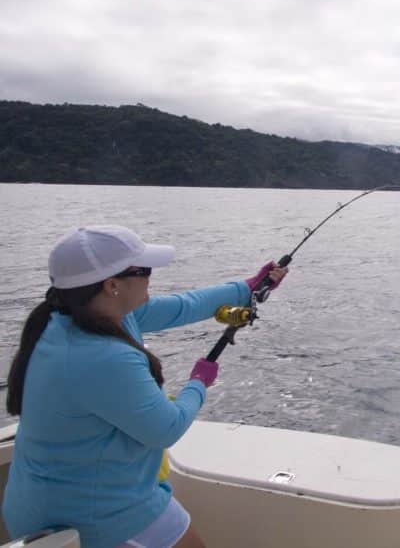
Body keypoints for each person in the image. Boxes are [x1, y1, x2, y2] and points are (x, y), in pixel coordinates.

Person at [3, 225, 288, 548]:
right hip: (97, 515)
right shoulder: (102, 356)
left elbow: (186, 305)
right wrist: (199, 380)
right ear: (112, 285)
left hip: (44, 500)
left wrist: (247, 286)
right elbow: (166, 428)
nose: (151, 276)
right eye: (144, 270)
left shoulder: (70, 318)